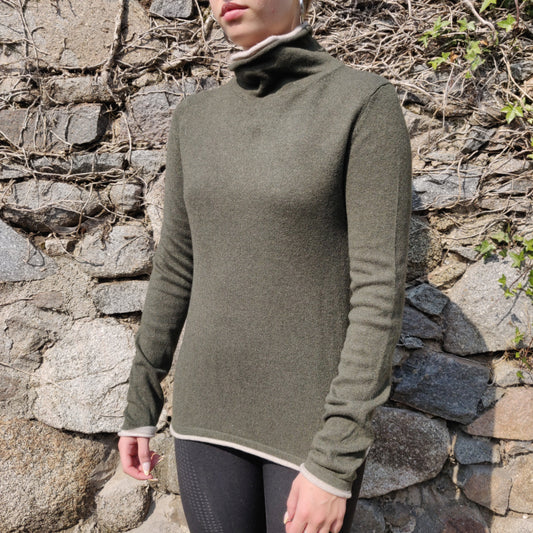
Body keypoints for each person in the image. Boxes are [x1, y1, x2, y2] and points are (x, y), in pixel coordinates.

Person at [118, 0, 412, 531]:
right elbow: (177, 265)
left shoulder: (362, 103)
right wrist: (141, 401)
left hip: (308, 430)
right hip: (205, 415)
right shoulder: (195, 118)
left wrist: (336, 456)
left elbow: (379, 291)